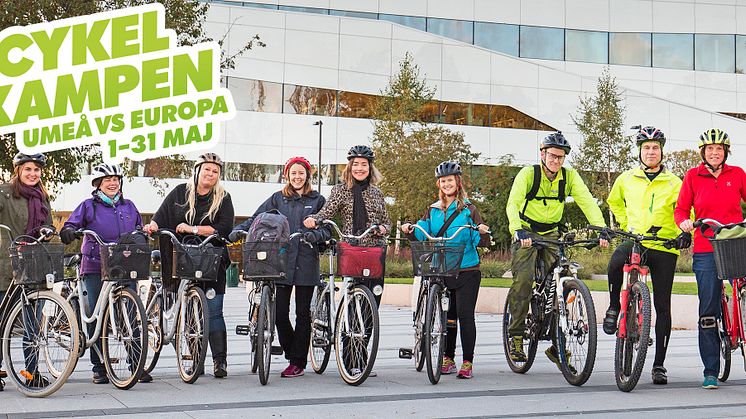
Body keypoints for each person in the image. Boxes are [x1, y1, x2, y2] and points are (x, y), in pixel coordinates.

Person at [505, 131, 609, 368]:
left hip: (552, 234)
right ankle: (517, 336)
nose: (556, 161)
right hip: (527, 232)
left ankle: (557, 343)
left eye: (561, 157)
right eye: (552, 156)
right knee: (523, 279)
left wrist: (601, 228)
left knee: (565, 280)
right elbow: (513, 204)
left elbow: (587, 201)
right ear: (542, 154)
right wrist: (517, 230)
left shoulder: (569, 177)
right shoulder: (528, 174)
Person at [229, 156, 331, 378]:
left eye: (301, 173)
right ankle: (293, 351)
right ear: (287, 175)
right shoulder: (278, 199)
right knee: (279, 314)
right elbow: (258, 219)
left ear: (307, 175)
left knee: (303, 314)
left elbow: (327, 230)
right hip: (281, 260)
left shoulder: (317, 200)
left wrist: (314, 234)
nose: (297, 177)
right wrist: (239, 230)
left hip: (305, 261)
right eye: (293, 173)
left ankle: (297, 362)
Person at [604, 126, 690, 385]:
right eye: (646, 148)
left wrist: (684, 231)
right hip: (636, 240)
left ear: (662, 151)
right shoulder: (626, 178)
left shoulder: (675, 182)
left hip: (664, 245)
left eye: (655, 147)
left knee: (663, 306)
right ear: (640, 151)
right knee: (615, 261)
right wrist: (624, 222)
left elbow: (686, 209)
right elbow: (614, 201)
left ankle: (659, 365)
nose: (651, 152)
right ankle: (614, 306)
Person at [143, 153, 235, 378]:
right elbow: (161, 216)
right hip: (183, 258)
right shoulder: (179, 193)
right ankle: (195, 360)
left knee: (214, 312)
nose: (211, 174)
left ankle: (219, 362)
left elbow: (224, 228)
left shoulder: (223, 198)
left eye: (215, 172)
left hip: (212, 260)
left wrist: (193, 229)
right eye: (207, 170)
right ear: (197, 171)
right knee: (191, 314)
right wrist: (152, 226)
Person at [60, 163, 148, 384]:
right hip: (94, 265)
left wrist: (143, 234)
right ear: (98, 184)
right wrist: (69, 231)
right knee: (95, 316)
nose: (112, 182)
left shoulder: (129, 206)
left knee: (130, 314)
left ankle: (136, 363)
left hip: (124, 265)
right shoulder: (88, 206)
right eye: (107, 179)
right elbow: (70, 224)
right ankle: (99, 367)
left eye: (116, 179)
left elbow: (139, 228)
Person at [401, 161, 490, 379]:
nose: (446, 184)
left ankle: (467, 362)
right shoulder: (432, 209)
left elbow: (480, 239)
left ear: (458, 183)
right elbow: (423, 233)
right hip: (442, 269)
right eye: (443, 181)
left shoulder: (469, 210)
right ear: (439, 184)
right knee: (448, 318)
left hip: (467, 269)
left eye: (450, 180)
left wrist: (483, 231)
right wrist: (410, 229)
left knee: (465, 316)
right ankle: (447, 358)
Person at [675, 128, 746, 390]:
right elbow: (682, 208)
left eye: (719, 149)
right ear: (703, 153)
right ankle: (710, 371)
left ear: (725, 152)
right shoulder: (693, 176)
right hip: (706, 246)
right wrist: (683, 222)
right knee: (708, 308)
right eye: (710, 149)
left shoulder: (737, 174)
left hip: (737, 242)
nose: (714, 153)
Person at [303, 145, 391, 305]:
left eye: (364, 164)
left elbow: (387, 222)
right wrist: (313, 219)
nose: (360, 168)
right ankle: (345, 328)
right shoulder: (340, 190)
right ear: (350, 167)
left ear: (370, 168)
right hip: (351, 249)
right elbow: (326, 212)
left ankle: (369, 330)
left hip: (374, 251)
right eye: (356, 164)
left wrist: (383, 228)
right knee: (351, 296)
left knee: (373, 300)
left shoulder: (377, 193)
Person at [0, 153, 54, 388]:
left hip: (34, 265)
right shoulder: (4, 193)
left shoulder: (42, 197)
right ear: (18, 171)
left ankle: (31, 373)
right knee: (2, 322)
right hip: (6, 266)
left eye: (36, 170)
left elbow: (49, 222)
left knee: (32, 325)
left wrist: (49, 230)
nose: (33, 174)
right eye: (28, 169)